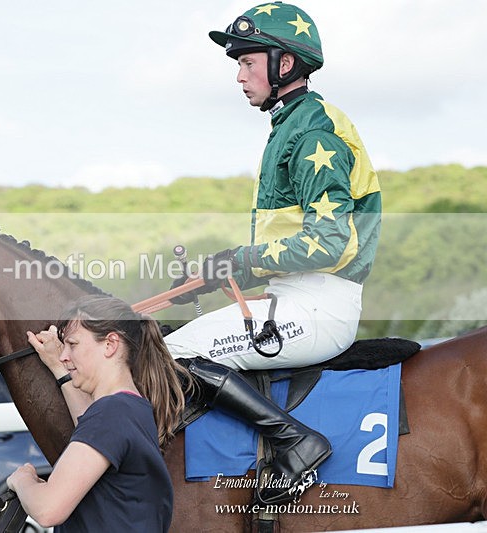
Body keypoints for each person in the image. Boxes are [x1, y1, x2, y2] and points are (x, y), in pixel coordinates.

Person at [166, 2, 382, 504]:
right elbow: (281, 246)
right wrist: (219, 269)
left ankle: (297, 442)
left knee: (173, 355)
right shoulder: (292, 124)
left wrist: (240, 260)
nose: (239, 76)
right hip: (293, 299)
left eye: (246, 62)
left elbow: (330, 242)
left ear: (284, 64)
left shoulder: (311, 133)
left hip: (319, 307)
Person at [6, 295, 187, 532]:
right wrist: (59, 370)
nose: (64, 355)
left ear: (111, 344)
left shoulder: (111, 414)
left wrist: (22, 480)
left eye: (73, 344)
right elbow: (89, 424)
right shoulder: (132, 408)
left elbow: (48, 510)